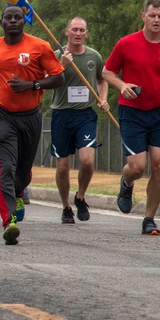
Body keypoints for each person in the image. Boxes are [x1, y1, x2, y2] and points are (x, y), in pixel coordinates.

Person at [0, 6, 65, 245]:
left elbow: (59, 77)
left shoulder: (40, 47)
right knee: (6, 167)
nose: (13, 21)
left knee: (22, 174)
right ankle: (9, 221)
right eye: (8, 18)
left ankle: (20, 191)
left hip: (31, 116)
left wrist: (32, 85)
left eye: (17, 17)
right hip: (1, 115)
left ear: (24, 21)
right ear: (1, 22)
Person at [102, 0, 160, 236]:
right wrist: (122, 85)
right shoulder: (126, 43)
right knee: (137, 166)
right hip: (132, 111)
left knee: (159, 166)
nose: (156, 20)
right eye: (152, 15)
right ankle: (127, 184)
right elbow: (107, 71)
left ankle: (149, 219)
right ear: (143, 16)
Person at [50, 17, 109, 224]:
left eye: (81, 30)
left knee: (87, 161)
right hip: (61, 114)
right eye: (74, 29)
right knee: (63, 166)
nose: (77, 33)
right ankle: (66, 206)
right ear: (66, 32)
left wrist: (102, 99)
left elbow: (102, 81)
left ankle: (80, 196)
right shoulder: (57, 55)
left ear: (86, 33)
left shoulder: (94, 56)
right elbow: (48, 79)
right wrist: (61, 65)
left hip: (85, 114)